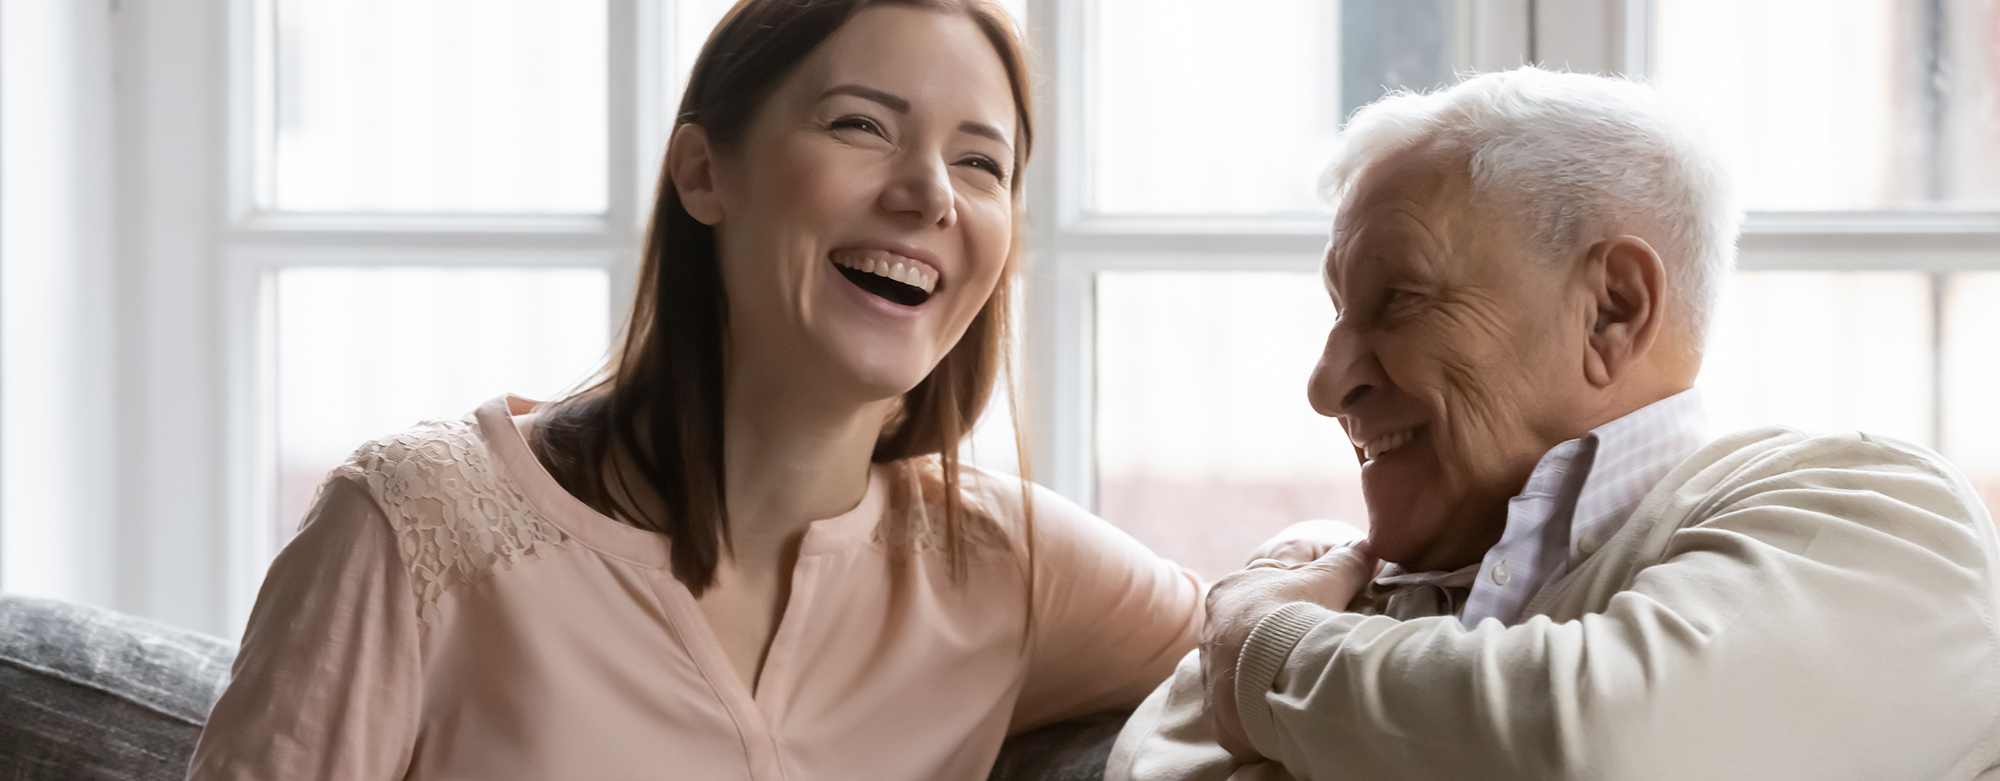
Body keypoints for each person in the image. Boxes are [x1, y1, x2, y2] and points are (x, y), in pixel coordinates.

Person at [185, 1, 1270, 777]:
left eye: (981, 162)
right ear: (704, 172)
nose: (928, 192)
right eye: (860, 124)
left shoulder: (1003, 572)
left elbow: (1263, 634)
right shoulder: (411, 527)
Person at [1107, 67, 2000, 780]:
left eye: (1401, 299)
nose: (1325, 382)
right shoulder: (1335, 588)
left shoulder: (1876, 519)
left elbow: (1604, 747)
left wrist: (1266, 652)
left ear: (1613, 309)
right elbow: (1151, 766)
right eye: (1337, 313)